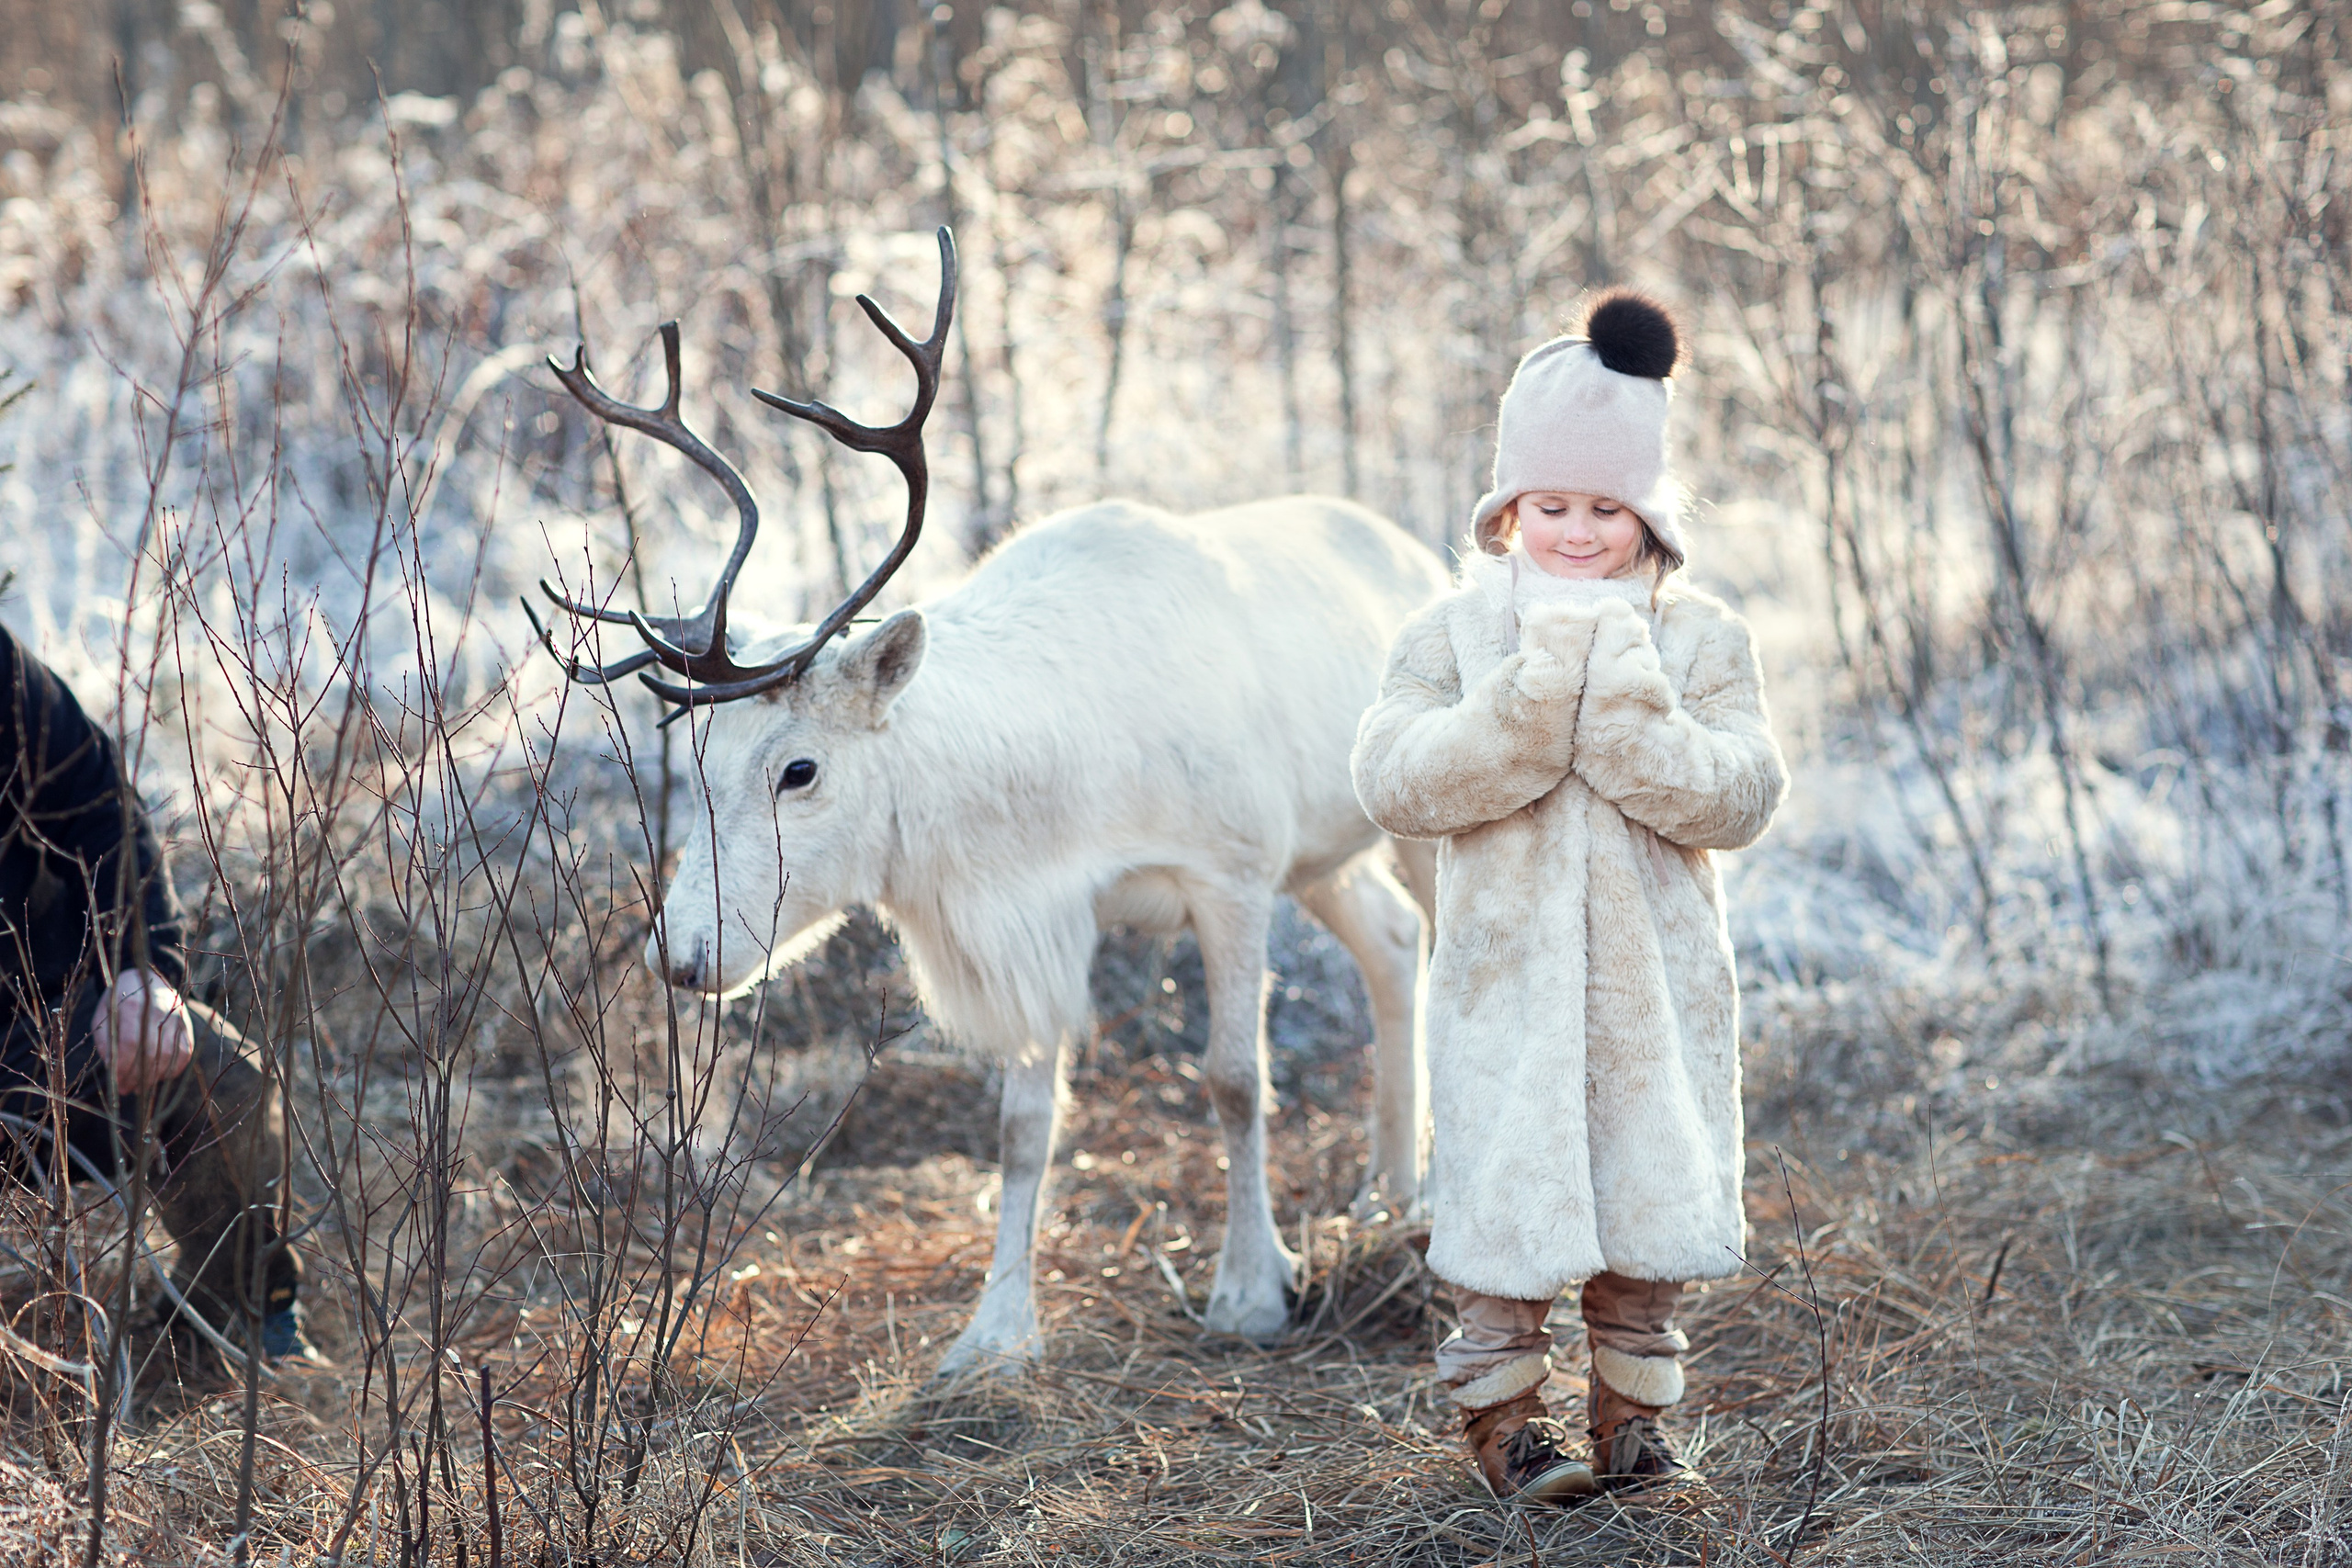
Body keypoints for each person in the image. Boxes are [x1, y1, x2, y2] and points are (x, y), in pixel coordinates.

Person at [1351, 294, 1787, 1502]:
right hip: (1505, 992)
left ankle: (1636, 1424)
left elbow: (1741, 794)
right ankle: (1504, 1422)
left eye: (1606, 508)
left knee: (1646, 1220)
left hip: (1653, 997)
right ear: (1507, 510)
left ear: (1648, 512)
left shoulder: (1699, 641)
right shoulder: (1450, 636)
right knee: (1503, 1217)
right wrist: (1530, 701)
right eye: (1552, 506)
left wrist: (1633, 711)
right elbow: (1394, 779)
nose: (1579, 532)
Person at [0, 622, 317, 1366]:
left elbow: (100, 805)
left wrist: (138, 968)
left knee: (218, 1074)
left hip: (28, 1041)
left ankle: (230, 1328)